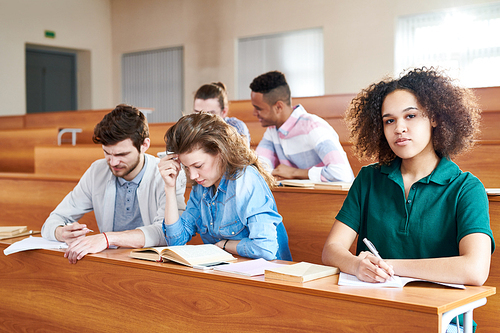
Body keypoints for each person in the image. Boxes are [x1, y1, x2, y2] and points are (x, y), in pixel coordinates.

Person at [322, 67, 495, 288]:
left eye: (410, 116)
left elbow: (475, 270)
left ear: (434, 119)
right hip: (373, 309)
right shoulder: (368, 178)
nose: (399, 128)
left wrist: (386, 266)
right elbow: (331, 250)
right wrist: (356, 266)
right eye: (389, 121)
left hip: (442, 317)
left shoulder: (466, 188)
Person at [41, 104, 187, 264]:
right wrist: (60, 232)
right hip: (111, 264)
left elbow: (166, 232)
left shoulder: (166, 174)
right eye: (107, 153)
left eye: (122, 154)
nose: (113, 162)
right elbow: (54, 219)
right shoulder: (97, 171)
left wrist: (108, 239)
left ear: (144, 145)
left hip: (153, 267)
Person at [158, 112, 292, 261]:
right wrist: (170, 188)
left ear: (220, 152)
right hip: (228, 272)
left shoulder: (245, 179)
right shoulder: (201, 186)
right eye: (187, 167)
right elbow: (176, 241)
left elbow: (265, 248)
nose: (193, 176)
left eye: (198, 165)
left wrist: (225, 244)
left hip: (266, 276)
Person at [249, 70, 354, 183]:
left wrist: (294, 173)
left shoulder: (314, 127)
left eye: (258, 108)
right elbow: (259, 169)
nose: (254, 113)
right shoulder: (272, 131)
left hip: (330, 199)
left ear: (278, 107)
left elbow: (342, 174)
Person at [193, 82, 251, 146]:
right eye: (197, 113)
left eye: (209, 114)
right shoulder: (189, 129)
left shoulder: (236, 128)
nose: (202, 119)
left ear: (224, 112)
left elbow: (241, 155)